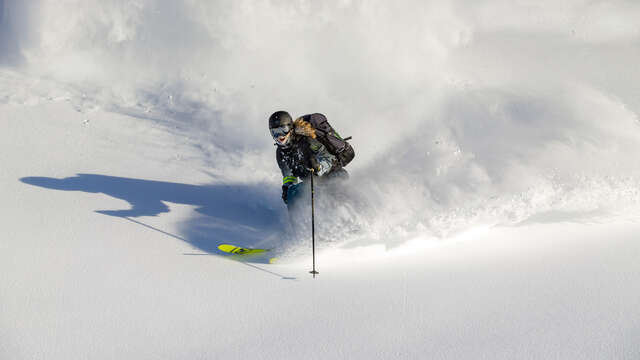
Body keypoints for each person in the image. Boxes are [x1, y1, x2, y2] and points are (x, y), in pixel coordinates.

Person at [268, 111, 348, 204]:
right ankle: (299, 217)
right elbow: (288, 174)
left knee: (334, 195)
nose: (280, 136)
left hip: (334, 176)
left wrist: (319, 167)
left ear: (290, 128)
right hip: (312, 185)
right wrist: (287, 186)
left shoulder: (308, 140)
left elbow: (330, 158)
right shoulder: (281, 153)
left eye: (283, 129)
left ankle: (348, 214)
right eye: (275, 132)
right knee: (293, 193)